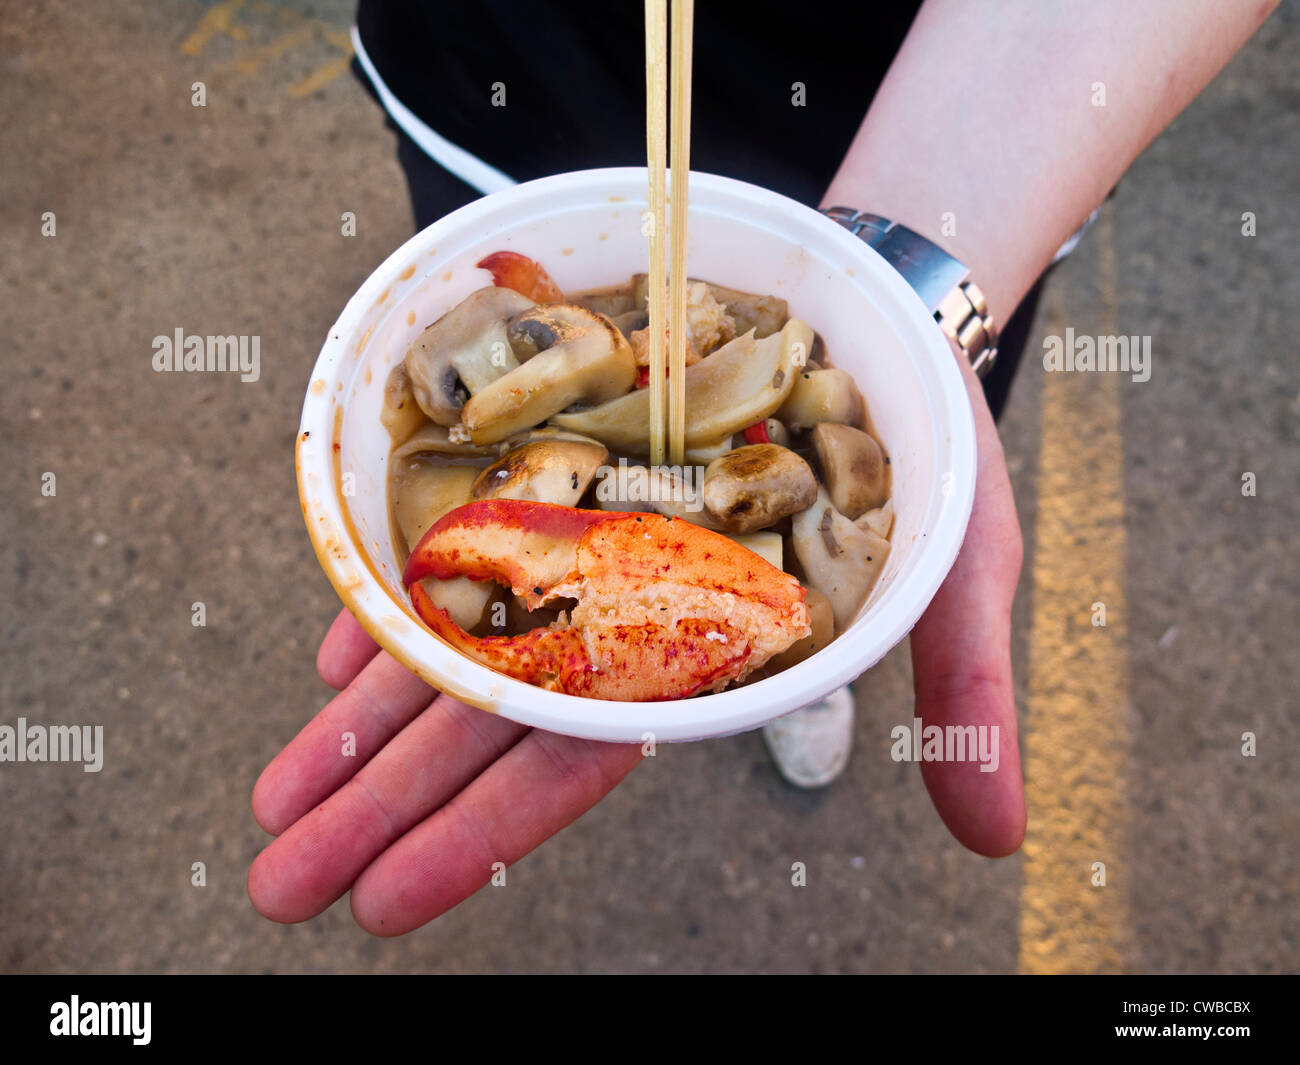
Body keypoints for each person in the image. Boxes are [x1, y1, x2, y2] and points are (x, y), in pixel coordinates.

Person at [248, 0, 1280, 936]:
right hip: (502, 79)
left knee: (807, 596)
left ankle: (782, 674)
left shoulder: (806, 398)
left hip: (945, 117)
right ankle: (757, 657)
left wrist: (898, 282)